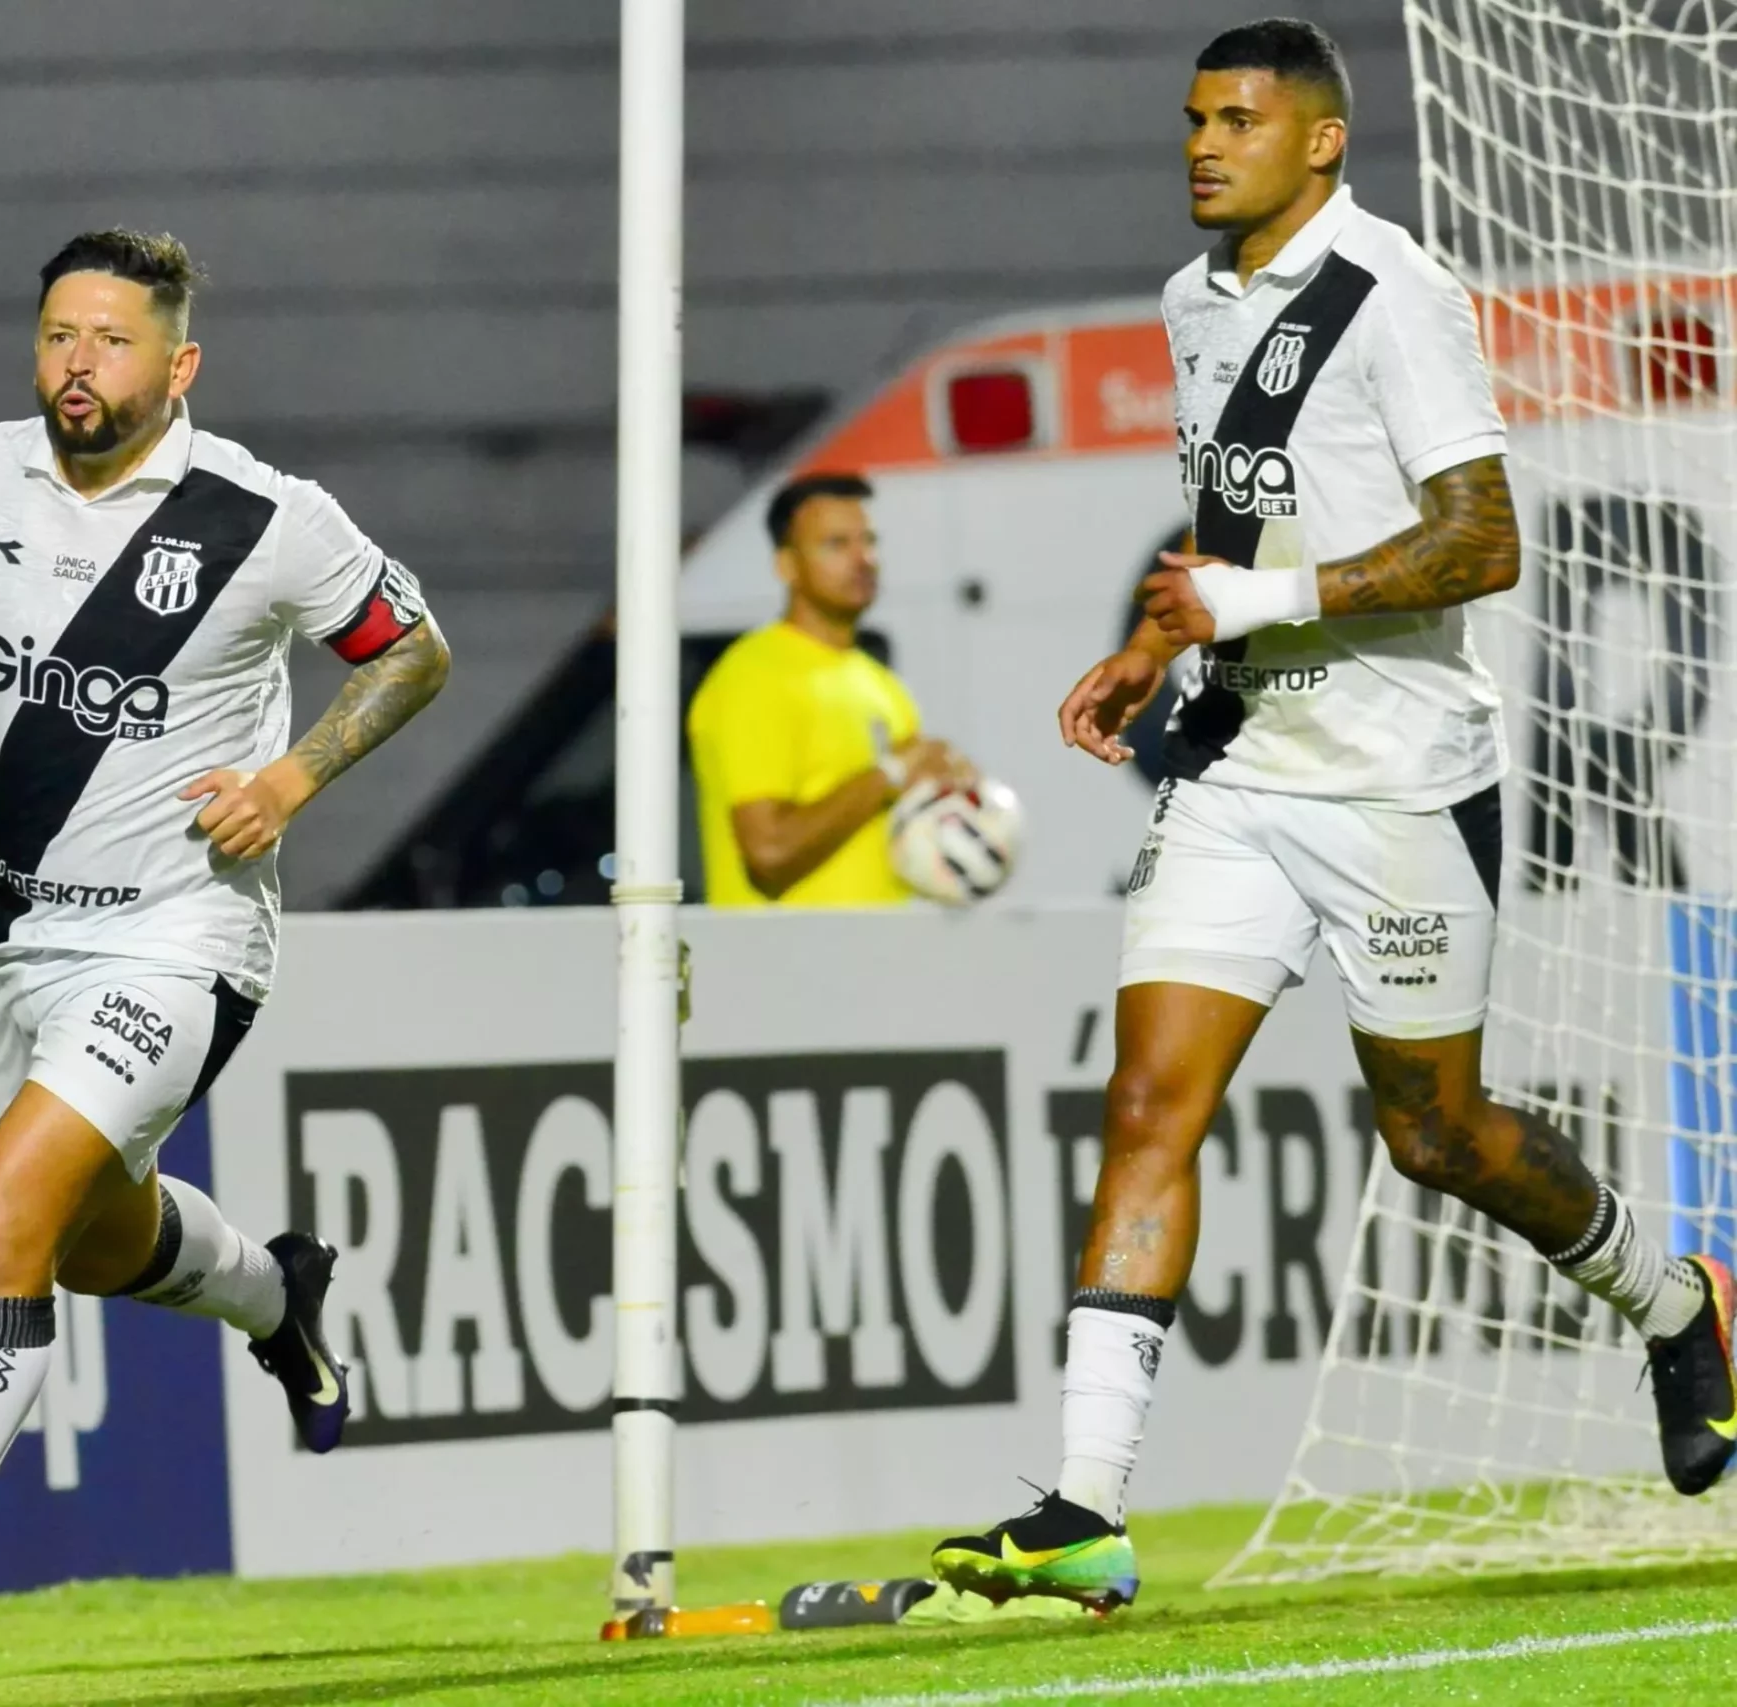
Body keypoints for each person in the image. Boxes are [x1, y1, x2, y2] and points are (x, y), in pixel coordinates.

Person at [931, 19, 1736, 1613]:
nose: (1201, 144)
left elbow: (1484, 542)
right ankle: (1084, 1504)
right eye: (1192, 117)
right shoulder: (1193, 300)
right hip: (1243, 766)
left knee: (1437, 1134)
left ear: (1320, 141)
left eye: (1237, 120)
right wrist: (1158, 639)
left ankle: (1673, 1300)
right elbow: (1233, 524)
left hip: (1399, 778)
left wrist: (1253, 600)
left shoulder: (1397, 291)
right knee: (1148, 1102)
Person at [0, 229, 449, 1680]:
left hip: (183, 936)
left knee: (4, 1210)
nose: (77, 364)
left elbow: (412, 648)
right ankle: (275, 1292)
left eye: (112, 341)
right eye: (59, 334)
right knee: (103, 1243)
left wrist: (290, 778)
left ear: (180, 367)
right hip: (16, 941)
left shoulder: (262, 515)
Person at [686, 472, 974, 907]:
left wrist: (953, 795)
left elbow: (907, 839)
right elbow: (769, 854)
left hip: (879, 947)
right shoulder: (754, 676)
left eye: (869, 541)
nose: (864, 559)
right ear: (785, 566)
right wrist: (889, 775)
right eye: (836, 545)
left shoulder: (882, 684)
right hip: (788, 950)